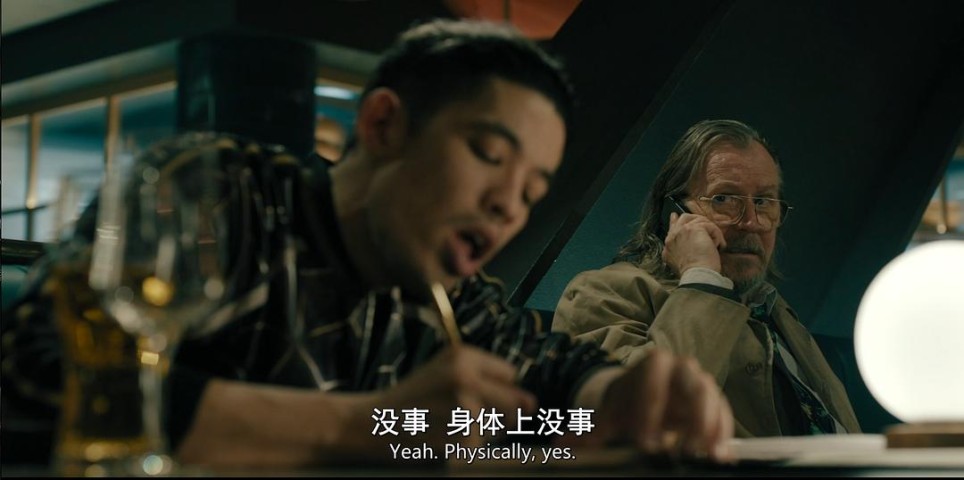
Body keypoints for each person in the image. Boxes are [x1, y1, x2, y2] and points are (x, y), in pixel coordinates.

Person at [1, 20, 734, 469]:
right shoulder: (221, 196)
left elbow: (553, 372)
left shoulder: (449, 298)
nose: (508, 205)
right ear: (384, 124)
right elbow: (32, 379)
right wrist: (370, 426)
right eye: (488, 154)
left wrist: (617, 398)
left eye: (532, 190)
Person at [553, 119, 861, 437]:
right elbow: (639, 421)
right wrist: (701, 277)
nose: (752, 223)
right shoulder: (602, 293)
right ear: (672, 213)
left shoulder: (770, 306)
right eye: (723, 199)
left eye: (763, 202)